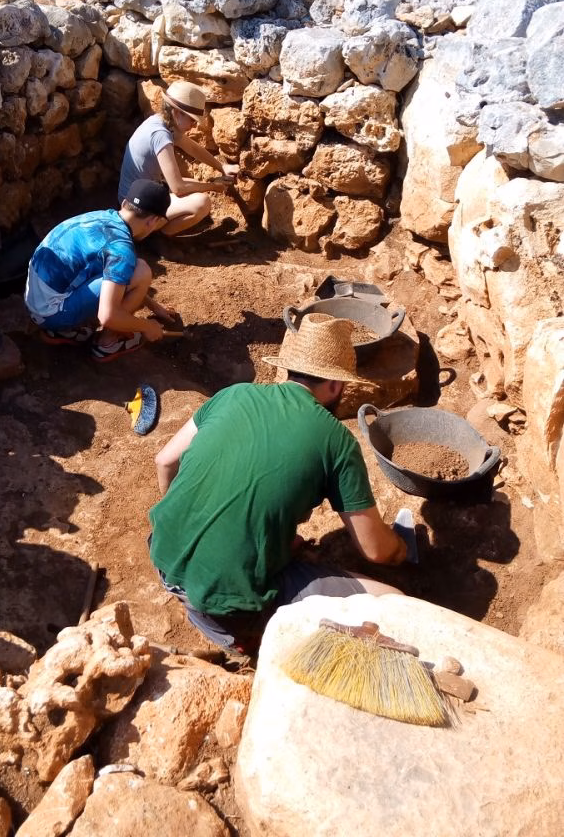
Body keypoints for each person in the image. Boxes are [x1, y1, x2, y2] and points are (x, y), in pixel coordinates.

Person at [148, 314, 408, 655]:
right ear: (335, 384)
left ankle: (215, 605)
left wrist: (190, 523)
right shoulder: (336, 440)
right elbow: (376, 550)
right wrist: (400, 550)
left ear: (288, 370)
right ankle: (245, 637)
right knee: (395, 604)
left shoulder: (232, 395)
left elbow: (165, 460)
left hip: (162, 556)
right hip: (226, 604)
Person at [24, 179, 178, 363]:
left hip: (36, 301)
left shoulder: (101, 218)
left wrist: (153, 306)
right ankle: (107, 343)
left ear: (124, 204)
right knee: (141, 270)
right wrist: (147, 326)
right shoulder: (121, 250)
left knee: (124, 273)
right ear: (153, 221)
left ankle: (63, 330)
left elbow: (115, 278)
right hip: (51, 312)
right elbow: (107, 316)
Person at [118, 80, 240, 236]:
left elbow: (192, 148)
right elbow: (178, 188)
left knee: (195, 184)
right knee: (202, 203)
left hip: (133, 198)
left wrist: (221, 167)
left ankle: (156, 230)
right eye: (192, 119)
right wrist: (213, 186)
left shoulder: (161, 123)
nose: (194, 125)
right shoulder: (161, 135)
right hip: (138, 213)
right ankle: (159, 238)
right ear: (177, 113)